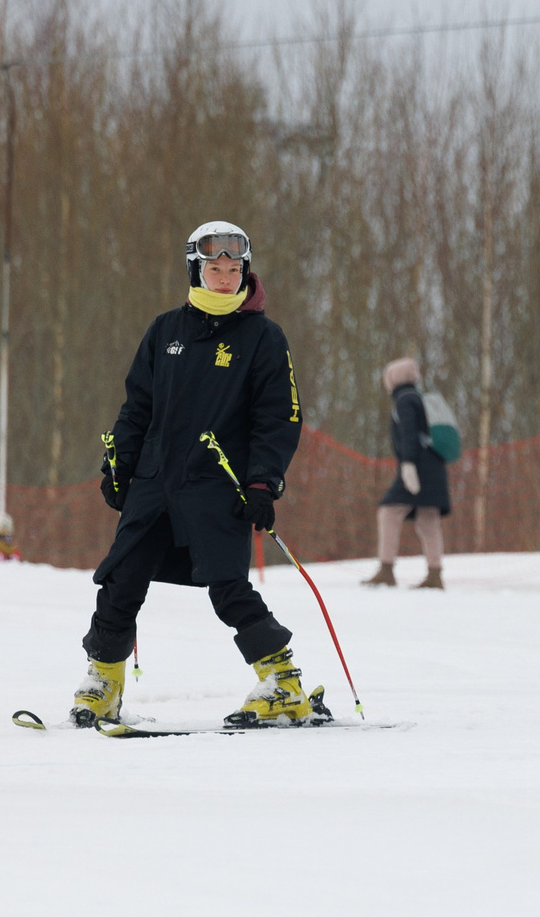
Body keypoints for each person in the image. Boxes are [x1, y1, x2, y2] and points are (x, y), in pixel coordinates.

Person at [70, 220, 311, 729]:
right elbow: (138, 406)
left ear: (244, 271)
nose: (224, 275)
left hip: (217, 484)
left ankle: (283, 684)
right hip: (155, 483)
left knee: (227, 587)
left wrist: (264, 483)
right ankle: (103, 682)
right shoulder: (165, 330)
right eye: (213, 267)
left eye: (232, 267)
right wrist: (121, 465)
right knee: (120, 579)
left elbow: (279, 417)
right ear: (195, 269)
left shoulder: (263, 338)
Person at [366, 356, 449, 589]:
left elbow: (409, 434)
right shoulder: (419, 398)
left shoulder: (404, 400)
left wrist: (408, 464)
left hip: (418, 466)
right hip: (435, 465)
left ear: (393, 379)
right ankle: (435, 574)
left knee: (389, 511)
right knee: (428, 519)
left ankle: (386, 569)